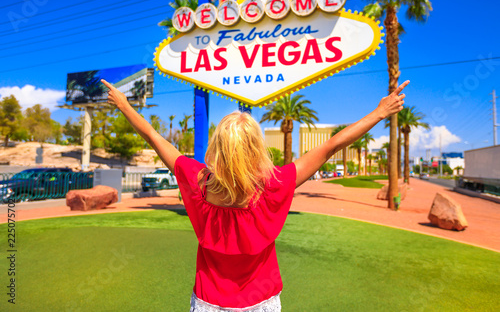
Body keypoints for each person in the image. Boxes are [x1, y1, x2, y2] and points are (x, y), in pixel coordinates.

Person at [102, 79, 409, 311]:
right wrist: (380, 112)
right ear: (256, 148)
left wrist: (125, 105)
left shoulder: (197, 182)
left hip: (209, 301)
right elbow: (331, 146)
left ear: (217, 147)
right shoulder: (276, 184)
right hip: (261, 302)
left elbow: (154, 136)